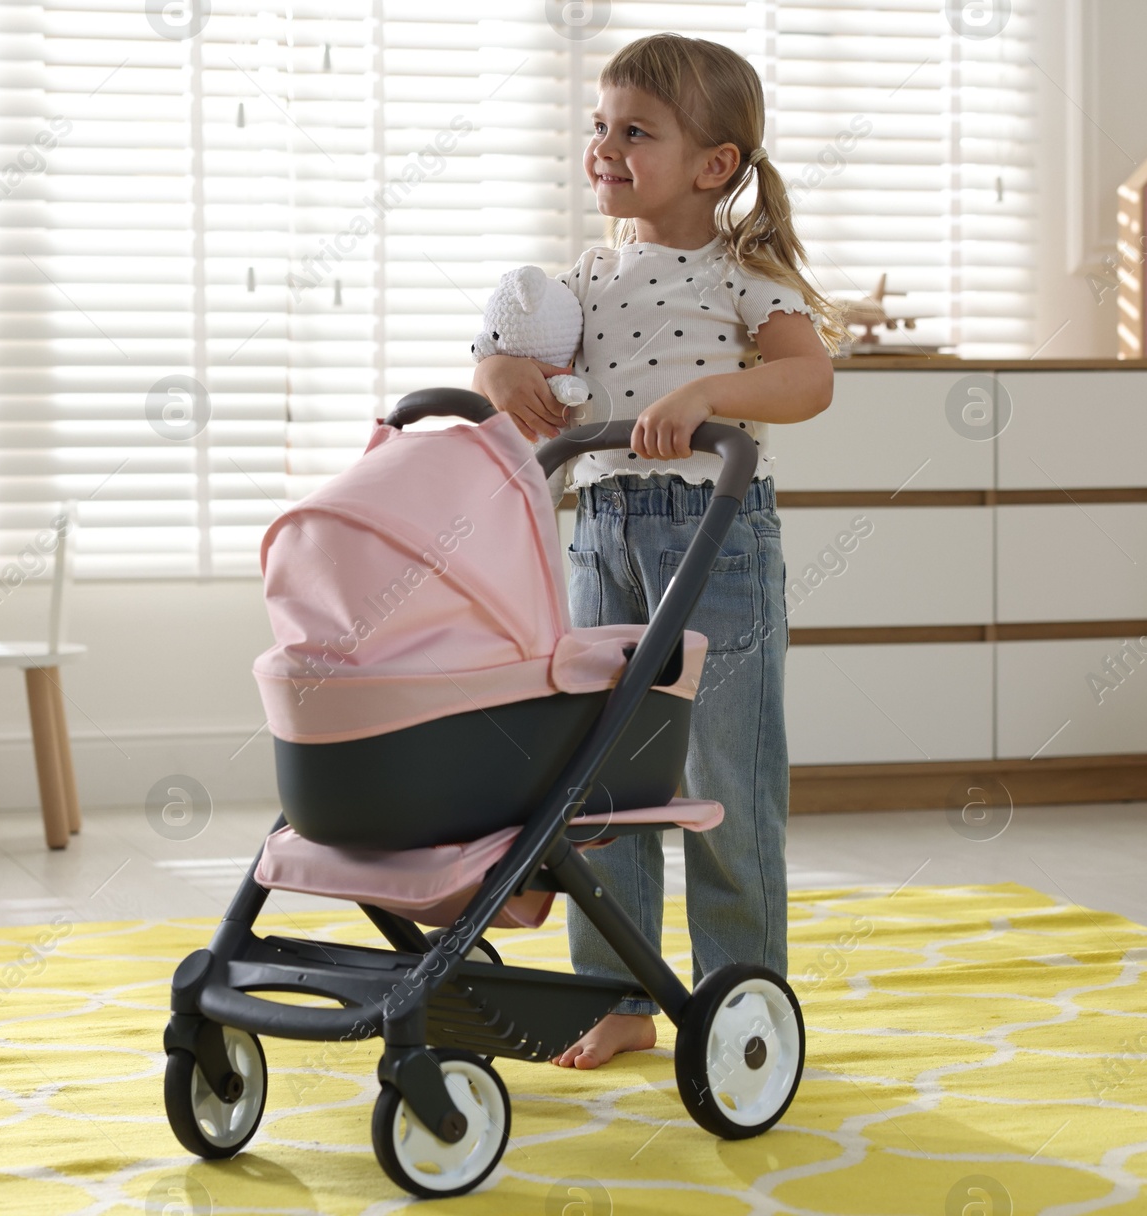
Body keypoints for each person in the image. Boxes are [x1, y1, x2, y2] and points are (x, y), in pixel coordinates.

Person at [472, 32, 842, 1069]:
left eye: (635, 131)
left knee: (725, 778)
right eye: (600, 125)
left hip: (713, 539)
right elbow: (511, 341)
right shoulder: (586, 276)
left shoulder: (742, 273)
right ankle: (620, 992)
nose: (604, 147)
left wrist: (707, 393)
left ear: (713, 164)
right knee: (603, 781)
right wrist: (500, 371)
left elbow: (806, 381)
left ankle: (740, 999)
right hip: (601, 534)